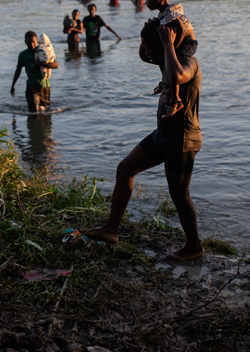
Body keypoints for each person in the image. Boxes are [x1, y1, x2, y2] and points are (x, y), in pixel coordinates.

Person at [83, 17, 203, 260]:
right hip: (163, 135)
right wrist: (152, 36)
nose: (146, 51)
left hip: (182, 138)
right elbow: (144, 56)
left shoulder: (187, 62)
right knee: (125, 169)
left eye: (149, 46)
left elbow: (179, 75)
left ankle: (194, 247)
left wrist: (167, 43)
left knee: (180, 196)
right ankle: (111, 230)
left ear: (164, 44)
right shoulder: (164, 60)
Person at [145, 0, 198, 118]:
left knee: (171, 61)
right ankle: (164, 82)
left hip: (187, 43)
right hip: (178, 41)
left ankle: (175, 99)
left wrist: (173, 48)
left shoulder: (170, 12)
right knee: (163, 57)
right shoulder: (163, 13)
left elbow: (181, 30)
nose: (145, 3)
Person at [11, 31, 59, 113]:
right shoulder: (23, 55)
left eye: (33, 42)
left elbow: (56, 65)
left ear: (37, 41)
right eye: (29, 42)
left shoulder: (43, 52)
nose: (32, 44)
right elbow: (18, 70)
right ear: (25, 42)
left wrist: (41, 63)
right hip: (32, 86)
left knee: (45, 112)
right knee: (34, 110)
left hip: (45, 86)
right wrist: (13, 85)